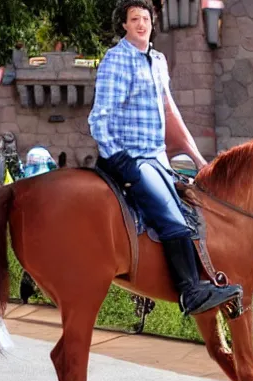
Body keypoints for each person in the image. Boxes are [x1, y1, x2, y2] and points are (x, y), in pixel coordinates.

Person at [88, 0, 241, 316]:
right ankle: (190, 293)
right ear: (124, 26)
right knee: (172, 219)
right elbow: (100, 116)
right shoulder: (116, 61)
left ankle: (202, 278)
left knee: (191, 210)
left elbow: (170, 112)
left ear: (152, 23)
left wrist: (199, 160)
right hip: (130, 157)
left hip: (157, 158)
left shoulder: (157, 60)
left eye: (145, 18)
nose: (141, 23)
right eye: (135, 19)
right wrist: (117, 157)